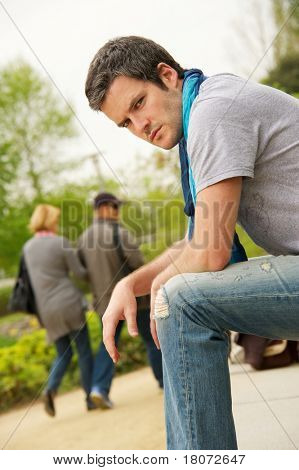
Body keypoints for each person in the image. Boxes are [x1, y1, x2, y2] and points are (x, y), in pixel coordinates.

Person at [85, 36, 299, 449]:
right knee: (177, 289)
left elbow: (210, 253)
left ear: (167, 75)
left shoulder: (214, 113)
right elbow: (196, 243)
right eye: (125, 123)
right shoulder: (204, 108)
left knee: (181, 299)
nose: (139, 126)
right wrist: (130, 283)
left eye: (138, 103)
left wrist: (164, 287)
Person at [77, 192, 163, 409]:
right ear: (106, 208)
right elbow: (136, 262)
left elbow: (82, 273)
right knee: (152, 338)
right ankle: (165, 382)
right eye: (116, 207)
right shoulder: (119, 232)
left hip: (103, 301)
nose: (118, 212)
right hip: (133, 299)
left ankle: (98, 389)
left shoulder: (83, 238)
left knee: (108, 342)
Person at [24, 204, 94, 416]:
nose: (57, 223)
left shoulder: (28, 248)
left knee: (62, 353)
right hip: (69, 303)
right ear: (49, 221)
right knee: (83, 351)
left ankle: (50, 389)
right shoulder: (60, 242)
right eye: (55, 219)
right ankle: (90, 397)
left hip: (47, 310)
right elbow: (80, 272)